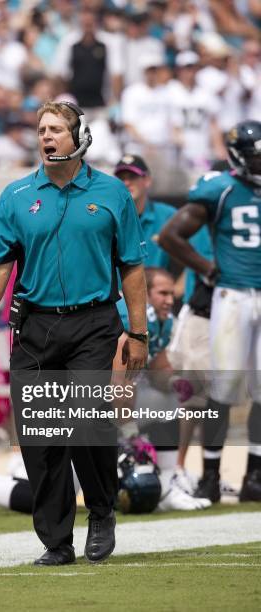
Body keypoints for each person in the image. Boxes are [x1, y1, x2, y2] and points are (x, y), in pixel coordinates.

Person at [0, 101, 148, 566]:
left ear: (78, 138)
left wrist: (139, 333)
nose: (46, 137)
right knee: (41, 438)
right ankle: (57, 541)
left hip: (94, 322)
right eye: (41, 130)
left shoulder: (111, 193)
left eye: (55, 130)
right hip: (35, 326)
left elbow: (131, 267)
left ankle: (102, 511)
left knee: (89, 424)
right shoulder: (16, 195)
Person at [159, 120, 261, 503]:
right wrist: (206, 268)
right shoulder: (220, 189)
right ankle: (210, 475)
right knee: (223, 387)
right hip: (232, 294)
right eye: (256, 156)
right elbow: (171, 235)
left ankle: (254, 475)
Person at [114, 267, 211, 511]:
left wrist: (175, 382)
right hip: (86, 410)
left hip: (108, 405)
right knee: (52, 494)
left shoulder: (162, 321)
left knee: (172, 394)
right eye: (162, 293)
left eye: (171, 293)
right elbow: (118, 384)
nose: (170, 299)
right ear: (144, 293)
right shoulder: (133, 317)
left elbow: (158, 369)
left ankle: (169, 482)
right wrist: (130, 433)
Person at [113, 153, 175, 269]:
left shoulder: (167, 215)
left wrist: (179, 286)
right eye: (121, 178)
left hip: (158, 285)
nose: (126, 183)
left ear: (147, 180)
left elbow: (200, 248)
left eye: (132, 177)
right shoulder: (108, 217)